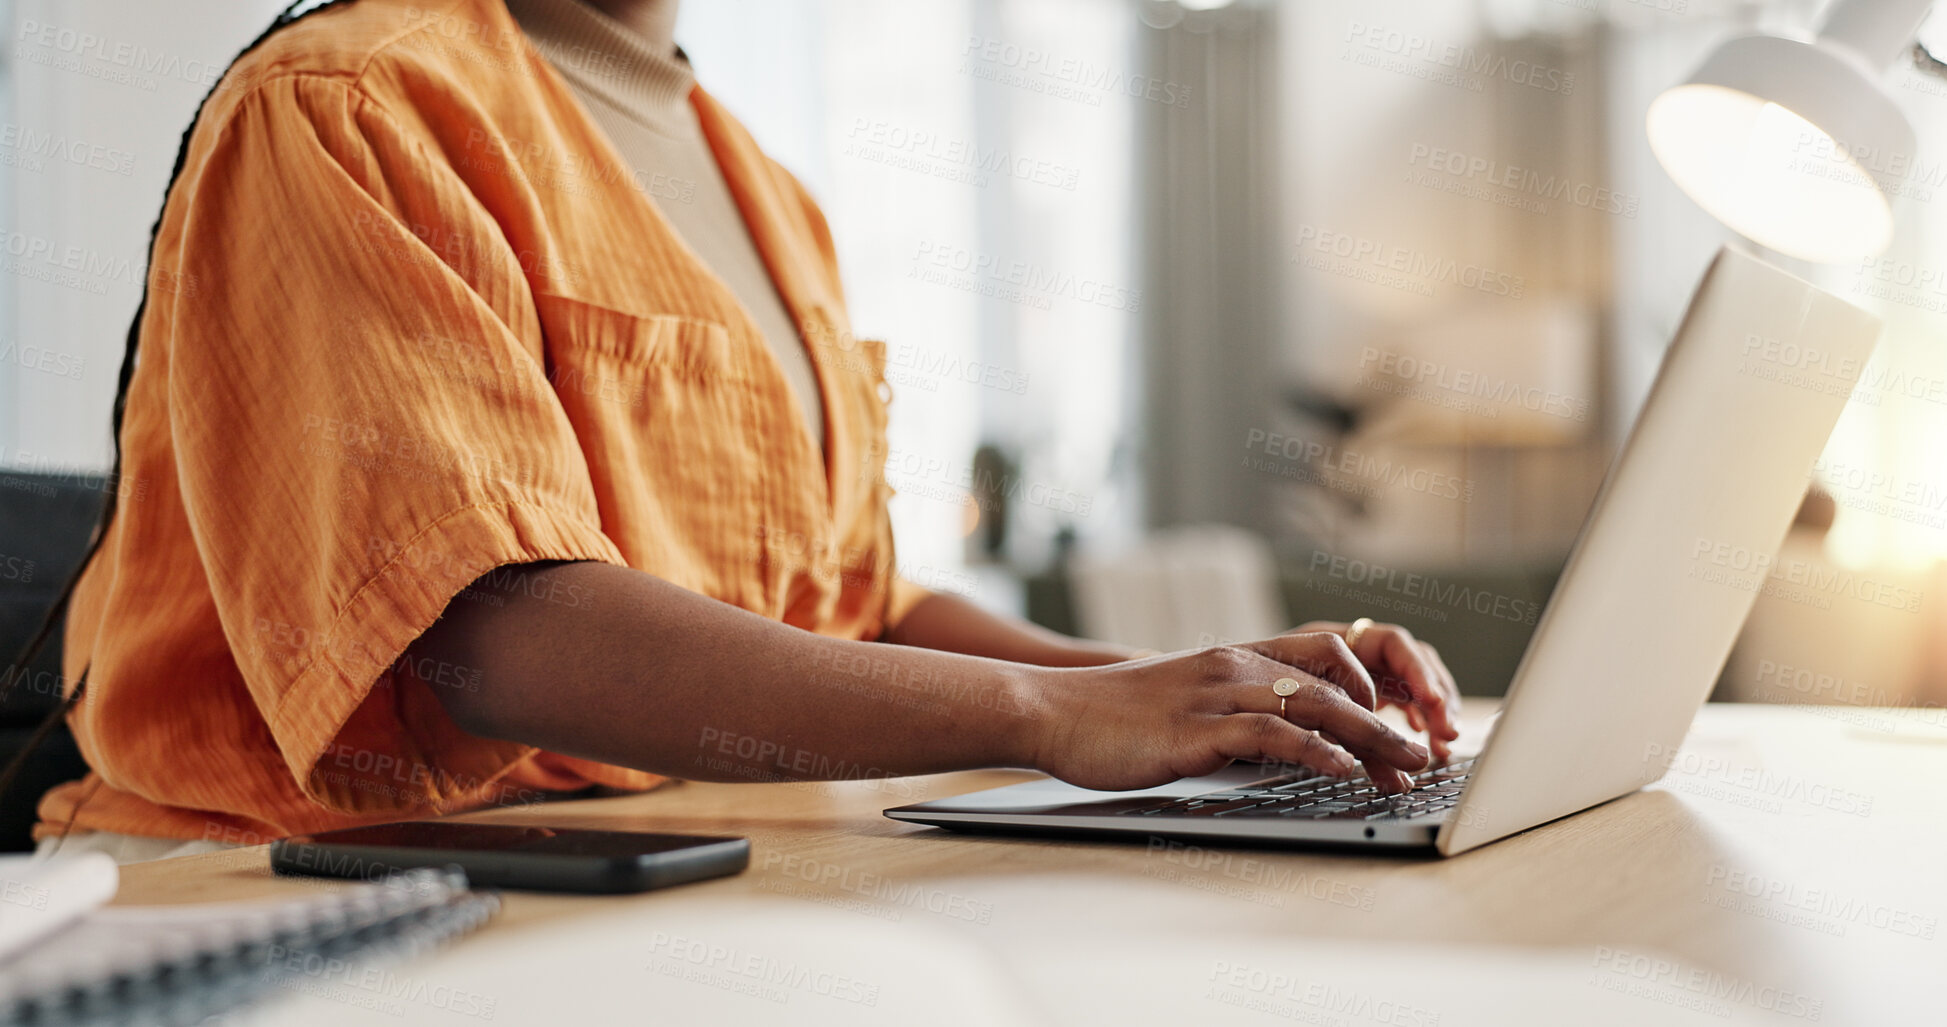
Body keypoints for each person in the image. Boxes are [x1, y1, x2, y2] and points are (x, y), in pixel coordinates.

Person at [23, 0, 1459, 861]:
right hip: (287, 900)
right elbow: (484, 643)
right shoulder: (347, 103)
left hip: (660, 867)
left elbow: (855, 611)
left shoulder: (768, 192)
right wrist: (1052, 713)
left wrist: (1191, 693)